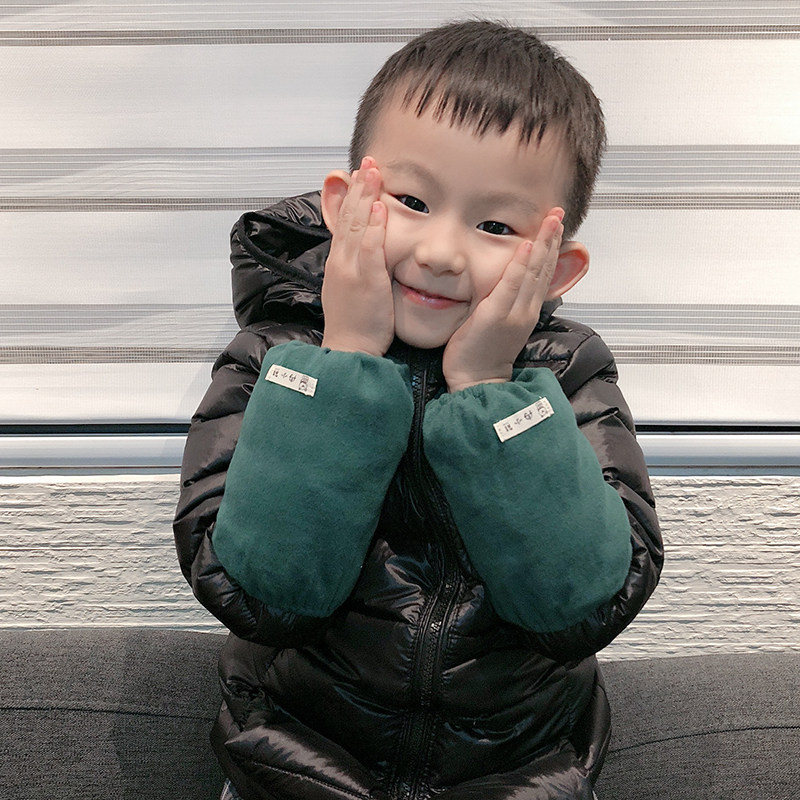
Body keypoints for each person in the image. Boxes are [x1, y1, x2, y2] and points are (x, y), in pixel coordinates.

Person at [173, 20, 663, 800]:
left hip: (518, 779)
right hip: (292, 768)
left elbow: (581, 608)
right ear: (344, 204)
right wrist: (344, 359)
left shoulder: (568, 372)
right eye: (412, 200)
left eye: (495, 225)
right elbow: (260, 596)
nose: (439, 252)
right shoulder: (274, 358)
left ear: (556, 269)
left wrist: (489, 389)